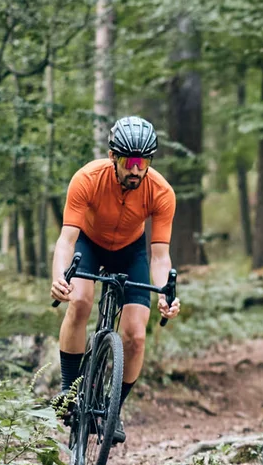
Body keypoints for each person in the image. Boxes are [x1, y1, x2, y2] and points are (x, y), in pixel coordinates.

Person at [51, 116, 182, 441]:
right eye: (129, 162)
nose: (136, 170)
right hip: (88, 244)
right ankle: (69, 391)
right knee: (80, 302)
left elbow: (160, 256)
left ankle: (113, 411)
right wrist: (59, 277)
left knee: (136, 336)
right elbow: (66, 240)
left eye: (143, 162)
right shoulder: (87, 179)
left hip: (130, 251)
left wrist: (165, 295)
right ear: (113, 157)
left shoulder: (161, 192)